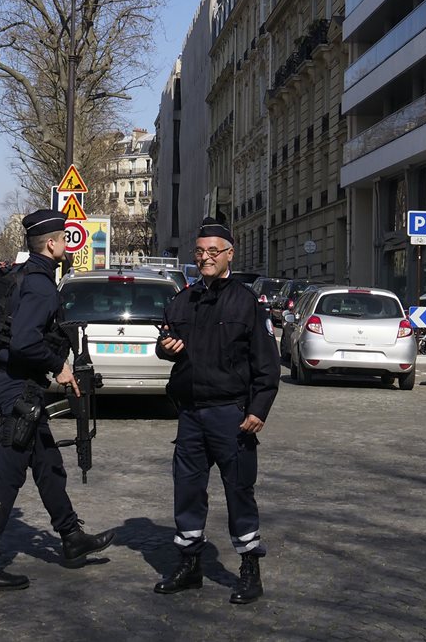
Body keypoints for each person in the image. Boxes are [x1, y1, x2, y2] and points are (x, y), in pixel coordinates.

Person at [0, 209, 114, 591]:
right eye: (64, 240)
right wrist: (59, 365)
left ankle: (72, 538)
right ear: (54, 244)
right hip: (19, 387)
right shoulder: (40, 285)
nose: (66, 246)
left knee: (46, 462)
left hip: (7, 382)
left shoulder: (15, 277)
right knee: (8, 474)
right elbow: (25, 342)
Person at [153, 217, 280, 604]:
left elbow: (267, 363)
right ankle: (189, 564)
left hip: (231, 414)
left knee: (239, 491)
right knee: (187, 491)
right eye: (200, 252)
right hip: (191, 414)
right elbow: (165, 342)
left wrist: (259, 408)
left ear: (229, 254)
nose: (206, 258)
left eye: (213, 252)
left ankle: (249, 570)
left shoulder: (246, 302)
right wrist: (165, 348)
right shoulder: (182, 299)